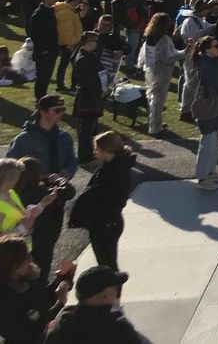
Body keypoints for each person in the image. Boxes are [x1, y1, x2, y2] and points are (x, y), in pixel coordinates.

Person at [69, 132, 134, 270]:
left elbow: (110, 197)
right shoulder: (111, 166)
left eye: (97, 149)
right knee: (106, 262)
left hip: (106, 224)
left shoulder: (116, 171)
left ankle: (112, 290)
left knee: (107, 265)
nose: (94, 152)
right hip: (107, 222)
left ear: (107, 150)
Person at [0, 234, 74, 344]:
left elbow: (42, 299)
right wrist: (60, 303)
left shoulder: (26, 278)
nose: (31, 258)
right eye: (26, 257)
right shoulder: (6, 301)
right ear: (12, 266)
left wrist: (63, 277)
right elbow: (35, 331)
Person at [44, 264, 146, 344]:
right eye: (115, 287)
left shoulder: (60, 325)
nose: (117, 290)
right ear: (104, 297)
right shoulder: (119, 331)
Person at [6, 94, 79, 183]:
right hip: (34, 187)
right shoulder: (24, 138)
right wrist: (41, 177)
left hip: (59, 183)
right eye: (57, 110)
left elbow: (72, 161)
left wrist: (64, 174)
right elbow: (9, 166)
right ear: (43, 112)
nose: (61, 113)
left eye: (63, 109)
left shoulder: (64, 137)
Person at [193, 35, 218, 190]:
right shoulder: (206, 65)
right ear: (207, 49)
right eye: (216, 46)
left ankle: (211, 171)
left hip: (216, 108)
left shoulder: (212, 61)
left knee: (216, 142)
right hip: (209, 109)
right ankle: (202, 178)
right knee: (208, 143)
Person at [139, 12, 183, 136]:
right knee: (158, 100)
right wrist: (186, 52)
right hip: (161, 71)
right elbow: (168, 58)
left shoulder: (149, 36)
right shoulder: (164, 39)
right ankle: (155, 127)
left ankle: (155, 123)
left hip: (150, 69)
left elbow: (142, 55)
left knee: (152, 97)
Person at [71, 32, 104, 163]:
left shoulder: (91, 56)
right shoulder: (83, 59)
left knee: (91, 127)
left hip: (92, 97)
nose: (97, 44)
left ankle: (91, 152)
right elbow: (87, 81)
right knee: (85, 130)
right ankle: (85, 156)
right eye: (95, 41)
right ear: (88, 42)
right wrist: (99, 91)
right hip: (87, 98)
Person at [28, 0, 59, 101]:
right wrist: (43, 49)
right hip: (43, 52)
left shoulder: (50, 11)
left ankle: (43, 97)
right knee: (42, 77)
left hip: (52, 50)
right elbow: (35, 34)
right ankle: (39, 99)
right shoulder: (38, 14)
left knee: (47, 76)